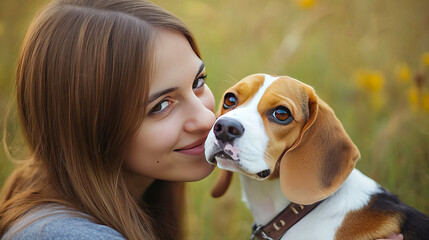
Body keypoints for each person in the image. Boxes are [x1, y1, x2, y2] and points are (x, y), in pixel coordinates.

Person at [0, 0, 404, 239]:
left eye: (199, 82)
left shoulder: (134, 201)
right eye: (160, 106)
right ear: (89, 129)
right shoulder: (62, 235)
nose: (210, 118)